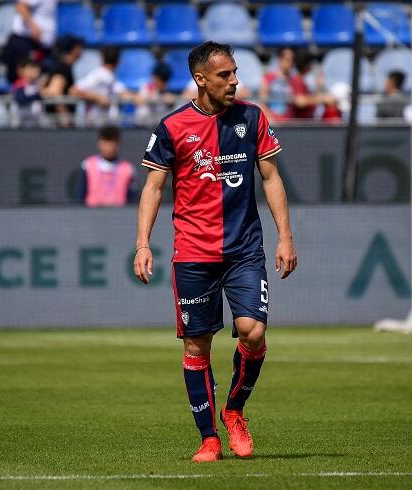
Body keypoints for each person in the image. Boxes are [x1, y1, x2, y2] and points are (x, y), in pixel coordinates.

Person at [133, 41, 297, 462]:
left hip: (244, 249)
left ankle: (234, 411)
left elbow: (272, 178)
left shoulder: (253, 118)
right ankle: (208, 439)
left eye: (236, 72)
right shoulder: (172, 127)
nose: (235, 81)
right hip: (193, 253)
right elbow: (153, 188)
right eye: (225, 75)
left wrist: (285, 236)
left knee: (253, 332)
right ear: (200, 79)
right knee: (196, 347)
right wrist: (142, 243)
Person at [76, 126, 137, 206]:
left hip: (120, 215)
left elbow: (132, 199)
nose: (108, 147)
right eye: (105, 142)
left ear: (118, 144)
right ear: (99, 143)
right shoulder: (87, 165)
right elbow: (80, 195)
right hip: (91, 215)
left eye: (111, 142)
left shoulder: (128, 169)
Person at [70, 46, 130, 126]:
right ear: (119, 62)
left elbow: (123, 92)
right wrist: (97, 98)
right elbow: (74, 90)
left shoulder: (112, 78)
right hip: (94, 125)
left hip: (109, 124)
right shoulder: (97, 75)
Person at [1, 0, 57, 83]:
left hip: (40, 45)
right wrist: (33, 27)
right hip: (25, 42)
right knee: (23, 79)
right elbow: (21, 6)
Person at [41, 35, 84, 126]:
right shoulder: (63, 68)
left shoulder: (58, 65)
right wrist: (65, 118)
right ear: (75, 49)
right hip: (59, 123)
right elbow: (55, 93)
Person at [134, 61, 177, 127]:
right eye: (160, 80)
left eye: (164, 81)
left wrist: (170, 102)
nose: (163, 84)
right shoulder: (147, 87)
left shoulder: (168, 92)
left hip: (160, 124)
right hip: (146, 124)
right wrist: (151, 99)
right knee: (142, 111)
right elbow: (137, 100)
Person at [259, 47, 294, 121]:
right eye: (287, 60)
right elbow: (263, 101)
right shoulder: (268, 77)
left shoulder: (294, 79)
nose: (290, 63)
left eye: (292, 60)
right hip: (273, 121)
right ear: (280, 60)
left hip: (289, 122)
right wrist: (271, 119)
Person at [10, 58, 46, 127]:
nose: (33, 71)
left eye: (35, 68)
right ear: (22, 71)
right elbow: (21, 98)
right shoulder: (19, 83)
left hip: (36, 123)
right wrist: (39, 95)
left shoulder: (38, 83)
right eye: (30, 68)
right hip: (21, 123)